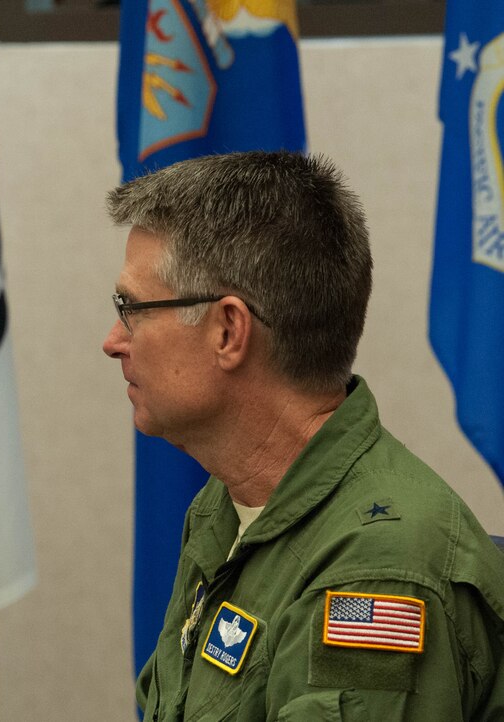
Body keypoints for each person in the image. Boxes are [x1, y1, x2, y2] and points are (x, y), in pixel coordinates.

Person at [102, 151, 504, 720]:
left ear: (228, 330)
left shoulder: (376, 574)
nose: (114, 340)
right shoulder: (228, 505)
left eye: (132, 308)